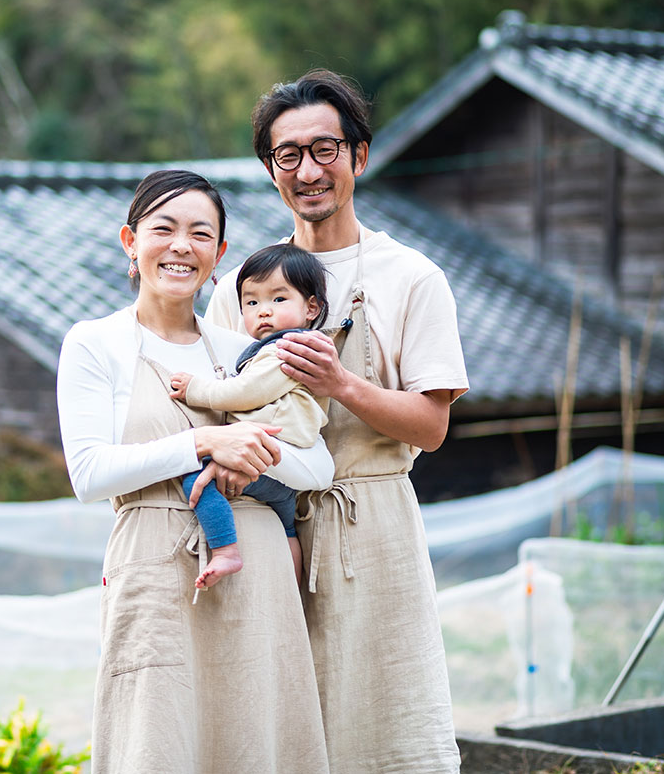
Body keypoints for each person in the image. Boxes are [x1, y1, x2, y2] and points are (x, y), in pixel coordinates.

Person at [205, 70, 469, 773]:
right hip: (268, 524)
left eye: (325, 150)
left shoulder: (410, 276)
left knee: (387, 727)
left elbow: (431, 426)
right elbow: (211, 410)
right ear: (270, 168)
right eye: (287, 155)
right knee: (274, 726)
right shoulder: (243, 287)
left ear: (359, 155)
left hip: (372, 523)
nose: (308, 171)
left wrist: (341, 384)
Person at [57, 169, 331, 774]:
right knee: (156, 741)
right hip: (154, 566)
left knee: (253, 740)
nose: (181, 246)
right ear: (130, 242)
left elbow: (318, 463)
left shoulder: (242, 352)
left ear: (219, 254)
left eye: (200, 234)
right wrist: (204, 441)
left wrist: (254, 454)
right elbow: (89, 474)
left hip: (256, 564)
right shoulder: (95, 343)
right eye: (164, 229)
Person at [167, 243, 333, 590]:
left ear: (311, 307)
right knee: (287, 528)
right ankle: (293, 593)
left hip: (272, 453)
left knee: (196, 476)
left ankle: (225, 550)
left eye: (279, 299)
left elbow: (246, 392)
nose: (264, 311)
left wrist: (196, 389)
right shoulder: (289, 347)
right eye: (251, 303)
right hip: (283, 467)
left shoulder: (288, 349)